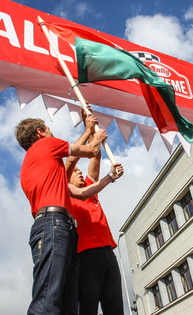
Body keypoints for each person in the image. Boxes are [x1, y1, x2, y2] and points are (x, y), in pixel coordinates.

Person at [15, 117, 122, 315]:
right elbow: (87, 152)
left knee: (67, 303)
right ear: (40, 132)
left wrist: (109, 175)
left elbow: (84, 185)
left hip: (61, 227)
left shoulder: (41, 166)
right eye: (49, 129)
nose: (52, 132)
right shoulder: (46, 145)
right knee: (49, 297)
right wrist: (93, 132)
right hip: (53, 224)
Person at [66, 110, 125, 315]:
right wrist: (88, 131)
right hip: (85, 256)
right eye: (76, 172)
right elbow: (70, 161)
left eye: (80, 171)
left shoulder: (92, 189)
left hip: (108, 252)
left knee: (116, 308)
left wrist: (90, 126)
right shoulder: (67, 193)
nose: (80, 172)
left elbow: (95, 156)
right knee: (87, 308)